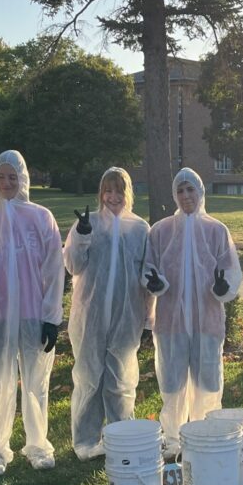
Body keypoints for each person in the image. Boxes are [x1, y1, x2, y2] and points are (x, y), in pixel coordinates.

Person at [0, 150, 64, 474]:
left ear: (23, 179)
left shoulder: (41, 218)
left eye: (13, 177)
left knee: (36, 383)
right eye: (1, 177)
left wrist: (51, 317)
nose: (7, 183)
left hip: (33, 314)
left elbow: (53, 270)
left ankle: (37, 446)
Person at [145, 168, 242, 456]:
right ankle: (174, 440)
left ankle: (205, 437)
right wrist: (154, 282)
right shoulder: (161, 230)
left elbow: (231, 273)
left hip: (206, 320)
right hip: (171, 320)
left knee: (208, 381)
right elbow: (149, 267)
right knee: (173, 383)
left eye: (191, 190)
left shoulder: (216, 230)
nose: (186, 196)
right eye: (181, 190)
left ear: (201, 192)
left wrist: (223, 287)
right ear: (175, 195)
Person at [63, 167, 151, 460]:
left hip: (127, 315)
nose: (113, 197)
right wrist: (82, 237)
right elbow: (73, 266)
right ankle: (86, 442)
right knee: (90, 377)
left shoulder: (139, 228)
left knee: (121, 378)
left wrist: (149, 313)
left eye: (119, 190)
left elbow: (146, 273)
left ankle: (120, 433)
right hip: (90, 315)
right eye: (108, 190)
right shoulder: (87, 225)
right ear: (101, 193)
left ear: (128, 193)